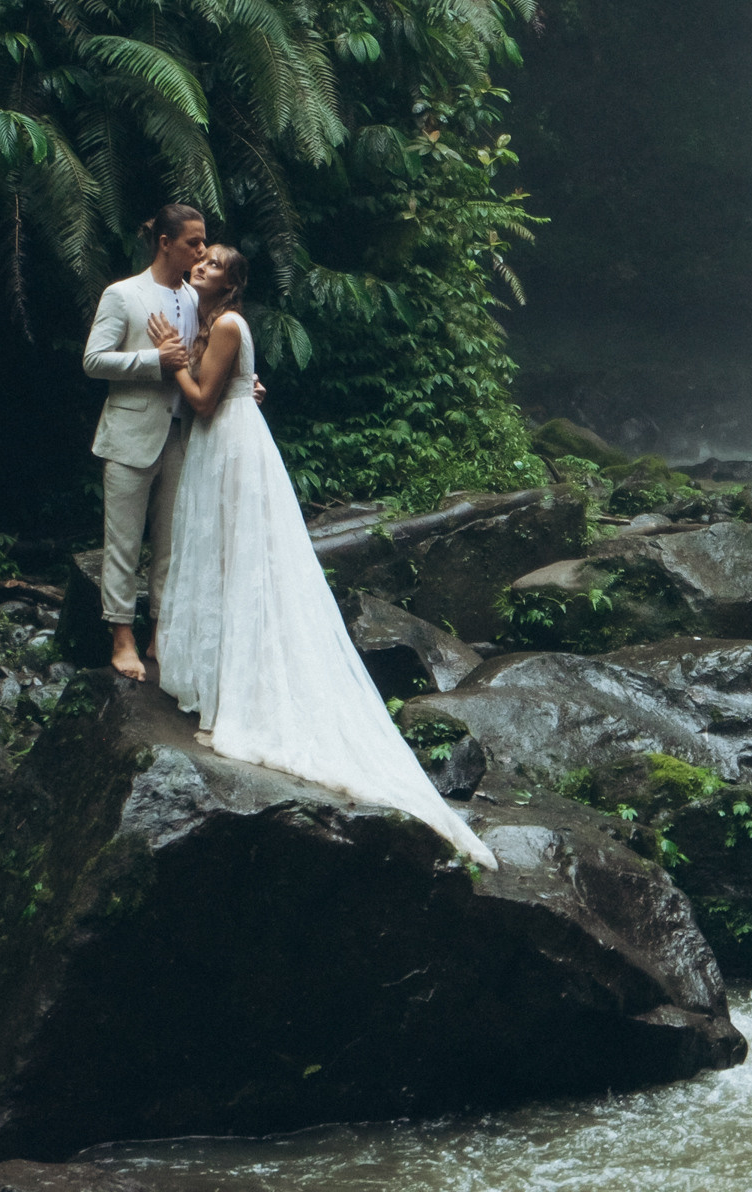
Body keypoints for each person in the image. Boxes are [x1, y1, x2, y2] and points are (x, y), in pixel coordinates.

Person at [150, 246, 497, 869]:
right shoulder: (207, 322)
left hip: (228, 445)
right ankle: (220, 684)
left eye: (215, 265)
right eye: (200, 260)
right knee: (220, 558)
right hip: (221, 443)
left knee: (238, 562)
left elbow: (202, 400)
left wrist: (175, 363)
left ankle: (236, 696)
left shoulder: (225, 324)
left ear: (232, 284)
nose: (201, 266)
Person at [82, 204, 263, 682]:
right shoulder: (123, 295)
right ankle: (121, 638)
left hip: (185, 437)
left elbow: (213, 351)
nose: (202, 252)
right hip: (129, 433)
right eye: (193, 243)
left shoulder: (197, 296)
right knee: (121, 543)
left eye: (205, 245)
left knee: (171, 545)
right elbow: (93, 360)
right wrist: (151, 360)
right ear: (165, 243)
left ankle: (160, 634)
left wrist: (245, 383)